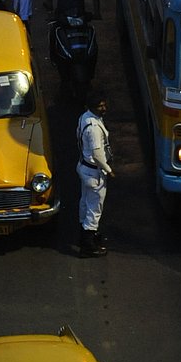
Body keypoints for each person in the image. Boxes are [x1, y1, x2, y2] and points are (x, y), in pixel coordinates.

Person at [76, 91, 113, 258]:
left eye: (104, 105)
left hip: (84, 167)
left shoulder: (85, 118)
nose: (104, 108)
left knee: (85, 202)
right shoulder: (94, 129)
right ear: (91, 107)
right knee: (95, 208)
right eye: (100, 106)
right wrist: (109, 170)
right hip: (94, 172)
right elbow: (97, 155)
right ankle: (88, 245)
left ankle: (84, 233)